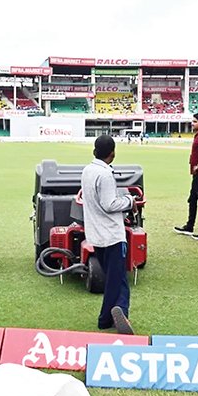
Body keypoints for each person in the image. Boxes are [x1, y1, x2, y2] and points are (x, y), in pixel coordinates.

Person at [81, 134, 137, 335]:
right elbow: (109, 204)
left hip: (95, 234)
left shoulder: (87, 170)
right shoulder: (105, 175)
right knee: (116, 280)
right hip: (112, 235)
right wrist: (130, 201)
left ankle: (121, 312)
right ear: (112, 154)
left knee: (118, 278)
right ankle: (107, 318)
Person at [174, 113, 198, 240]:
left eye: (195, 121)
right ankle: (189, 226)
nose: (192, 123)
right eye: (192, 121)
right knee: (192, 199)